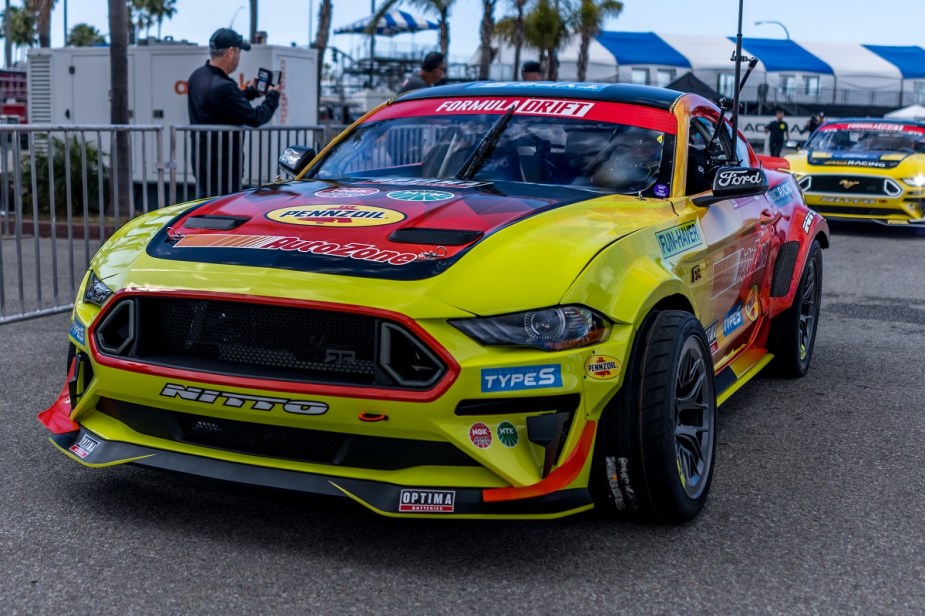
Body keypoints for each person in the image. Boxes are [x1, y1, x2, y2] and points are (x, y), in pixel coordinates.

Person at [187, 27, 280, 197]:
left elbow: (223, 106)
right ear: (230, 52)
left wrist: (252, 91)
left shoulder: (198, 76)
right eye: (239, 52)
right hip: (223, 168)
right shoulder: (222, 86)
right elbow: (255, 117)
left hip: (203, 163)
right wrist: (273, 96)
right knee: (223, 217)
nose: (239, 57)